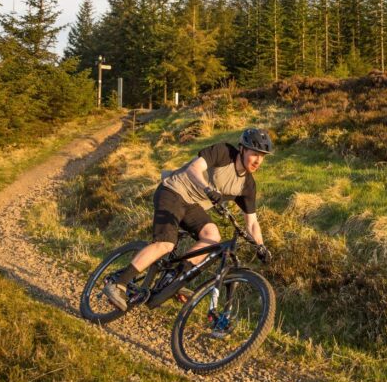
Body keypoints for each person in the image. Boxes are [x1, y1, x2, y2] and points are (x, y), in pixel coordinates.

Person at [104, 128, 273, 311]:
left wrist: (260, 246)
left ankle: (174, 280)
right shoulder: (224, 152)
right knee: (166, 244)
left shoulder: (247, 185)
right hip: (174, 190)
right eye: (254, 154)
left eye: (262, 156)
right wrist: (208, 189)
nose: (258, 161)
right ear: (242, 149)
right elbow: (194, 168)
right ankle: (118, 283)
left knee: (212, 236)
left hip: (192, 206)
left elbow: (252, 222)